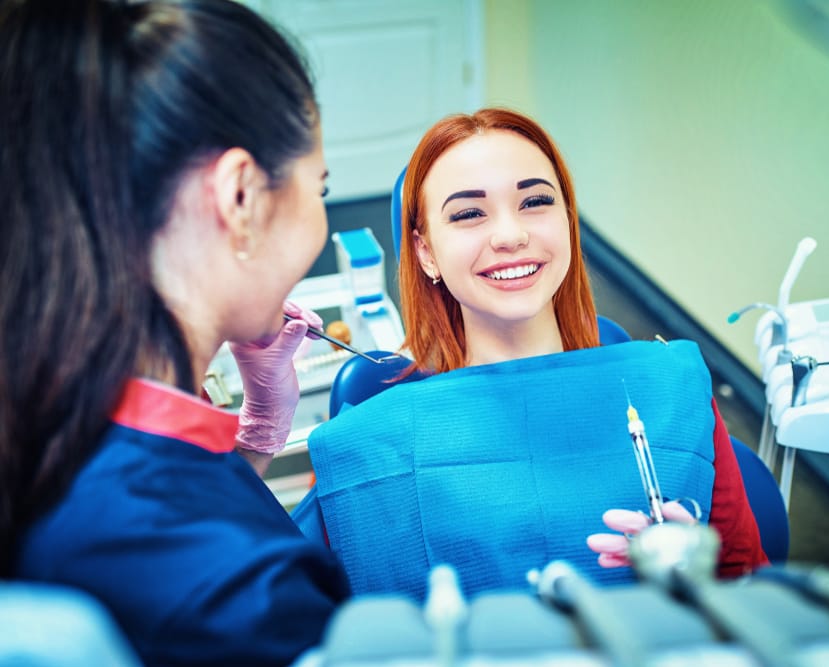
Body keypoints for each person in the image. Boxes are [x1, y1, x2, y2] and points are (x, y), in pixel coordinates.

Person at [1, 1, 350, 665]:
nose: (320, 217)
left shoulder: (46, 397)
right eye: (320, 189)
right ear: (241, 198)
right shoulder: (246, 594)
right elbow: (184, 539)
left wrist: (255, 434)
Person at [306, 108, 769, 601]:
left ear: (567, 221)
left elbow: (750, 586)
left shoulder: (671, 393)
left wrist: (700, 573)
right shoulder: (373, 442)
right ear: (425, 253)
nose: (510, 235)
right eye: (468, 213)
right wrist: (257, 441)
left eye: (535, 202)